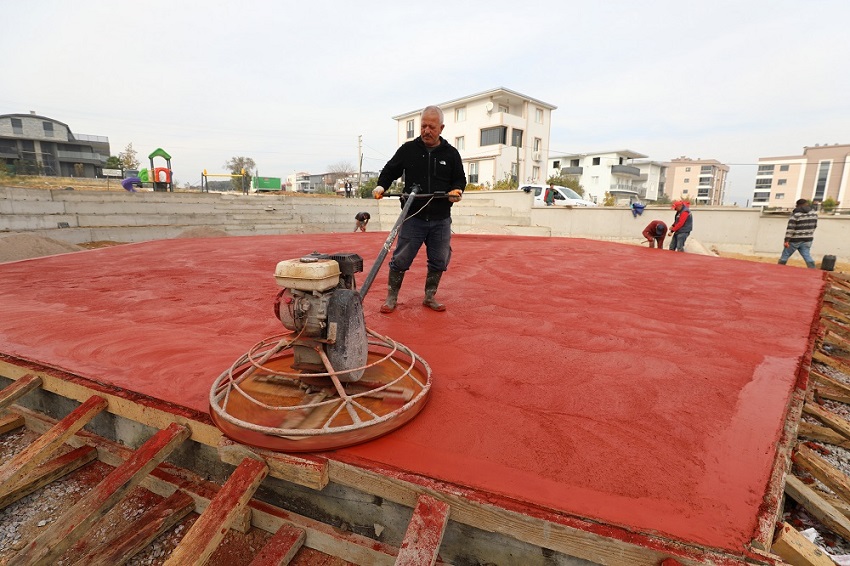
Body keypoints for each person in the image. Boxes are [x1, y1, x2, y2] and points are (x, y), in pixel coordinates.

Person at [372, 105, 466, 313]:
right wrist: (381, 186)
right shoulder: (408, 150)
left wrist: (457, 190)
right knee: (401, 258)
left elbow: (459, 178)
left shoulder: (451, 154)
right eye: (423, 126)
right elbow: (390, 170)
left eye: (431, 127)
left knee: (439, 259)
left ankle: (430, 296)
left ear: (441, 128)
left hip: (440, 218)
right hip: (413, 216)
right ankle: (391, 297)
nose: (426, 131)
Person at [778, 198, 818, 268]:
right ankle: (813, 270)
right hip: (808, 239)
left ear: (797, 205)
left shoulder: (795, 214)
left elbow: (791, 228)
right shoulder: (814, 214)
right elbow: (814, 226)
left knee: (785, 255)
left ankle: (778, 269)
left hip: (795, 240)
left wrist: (786, 240)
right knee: (807, 255)